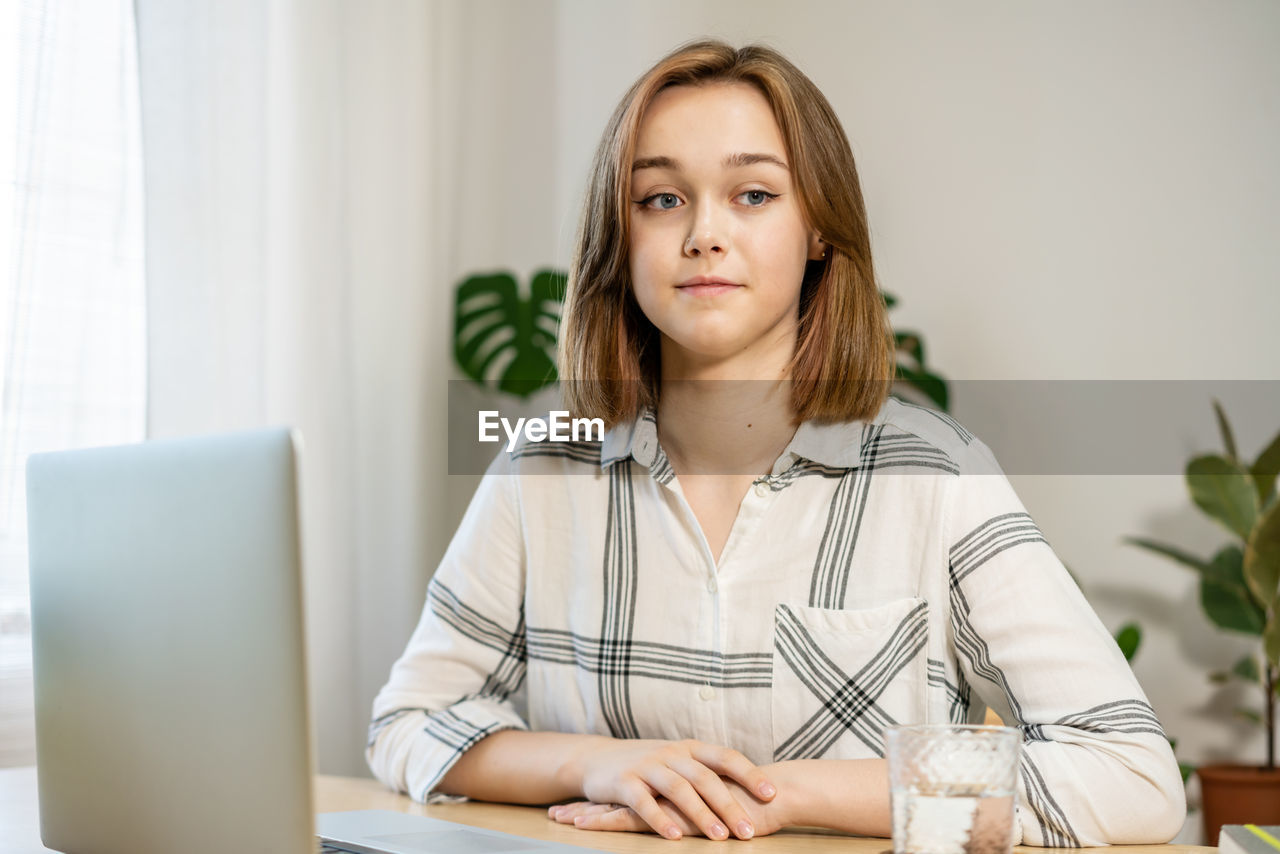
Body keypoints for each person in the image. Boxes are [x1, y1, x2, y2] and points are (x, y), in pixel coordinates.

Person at [367, 39, 1185, 846]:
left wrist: (782, 794)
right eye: (660, 199)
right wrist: (600, 765)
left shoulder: (937, 475)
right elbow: (408, 724)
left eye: (753, 194)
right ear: (620, 241)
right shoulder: (541, 463)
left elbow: (1133, 776)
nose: (703, 233)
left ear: (820, 231)